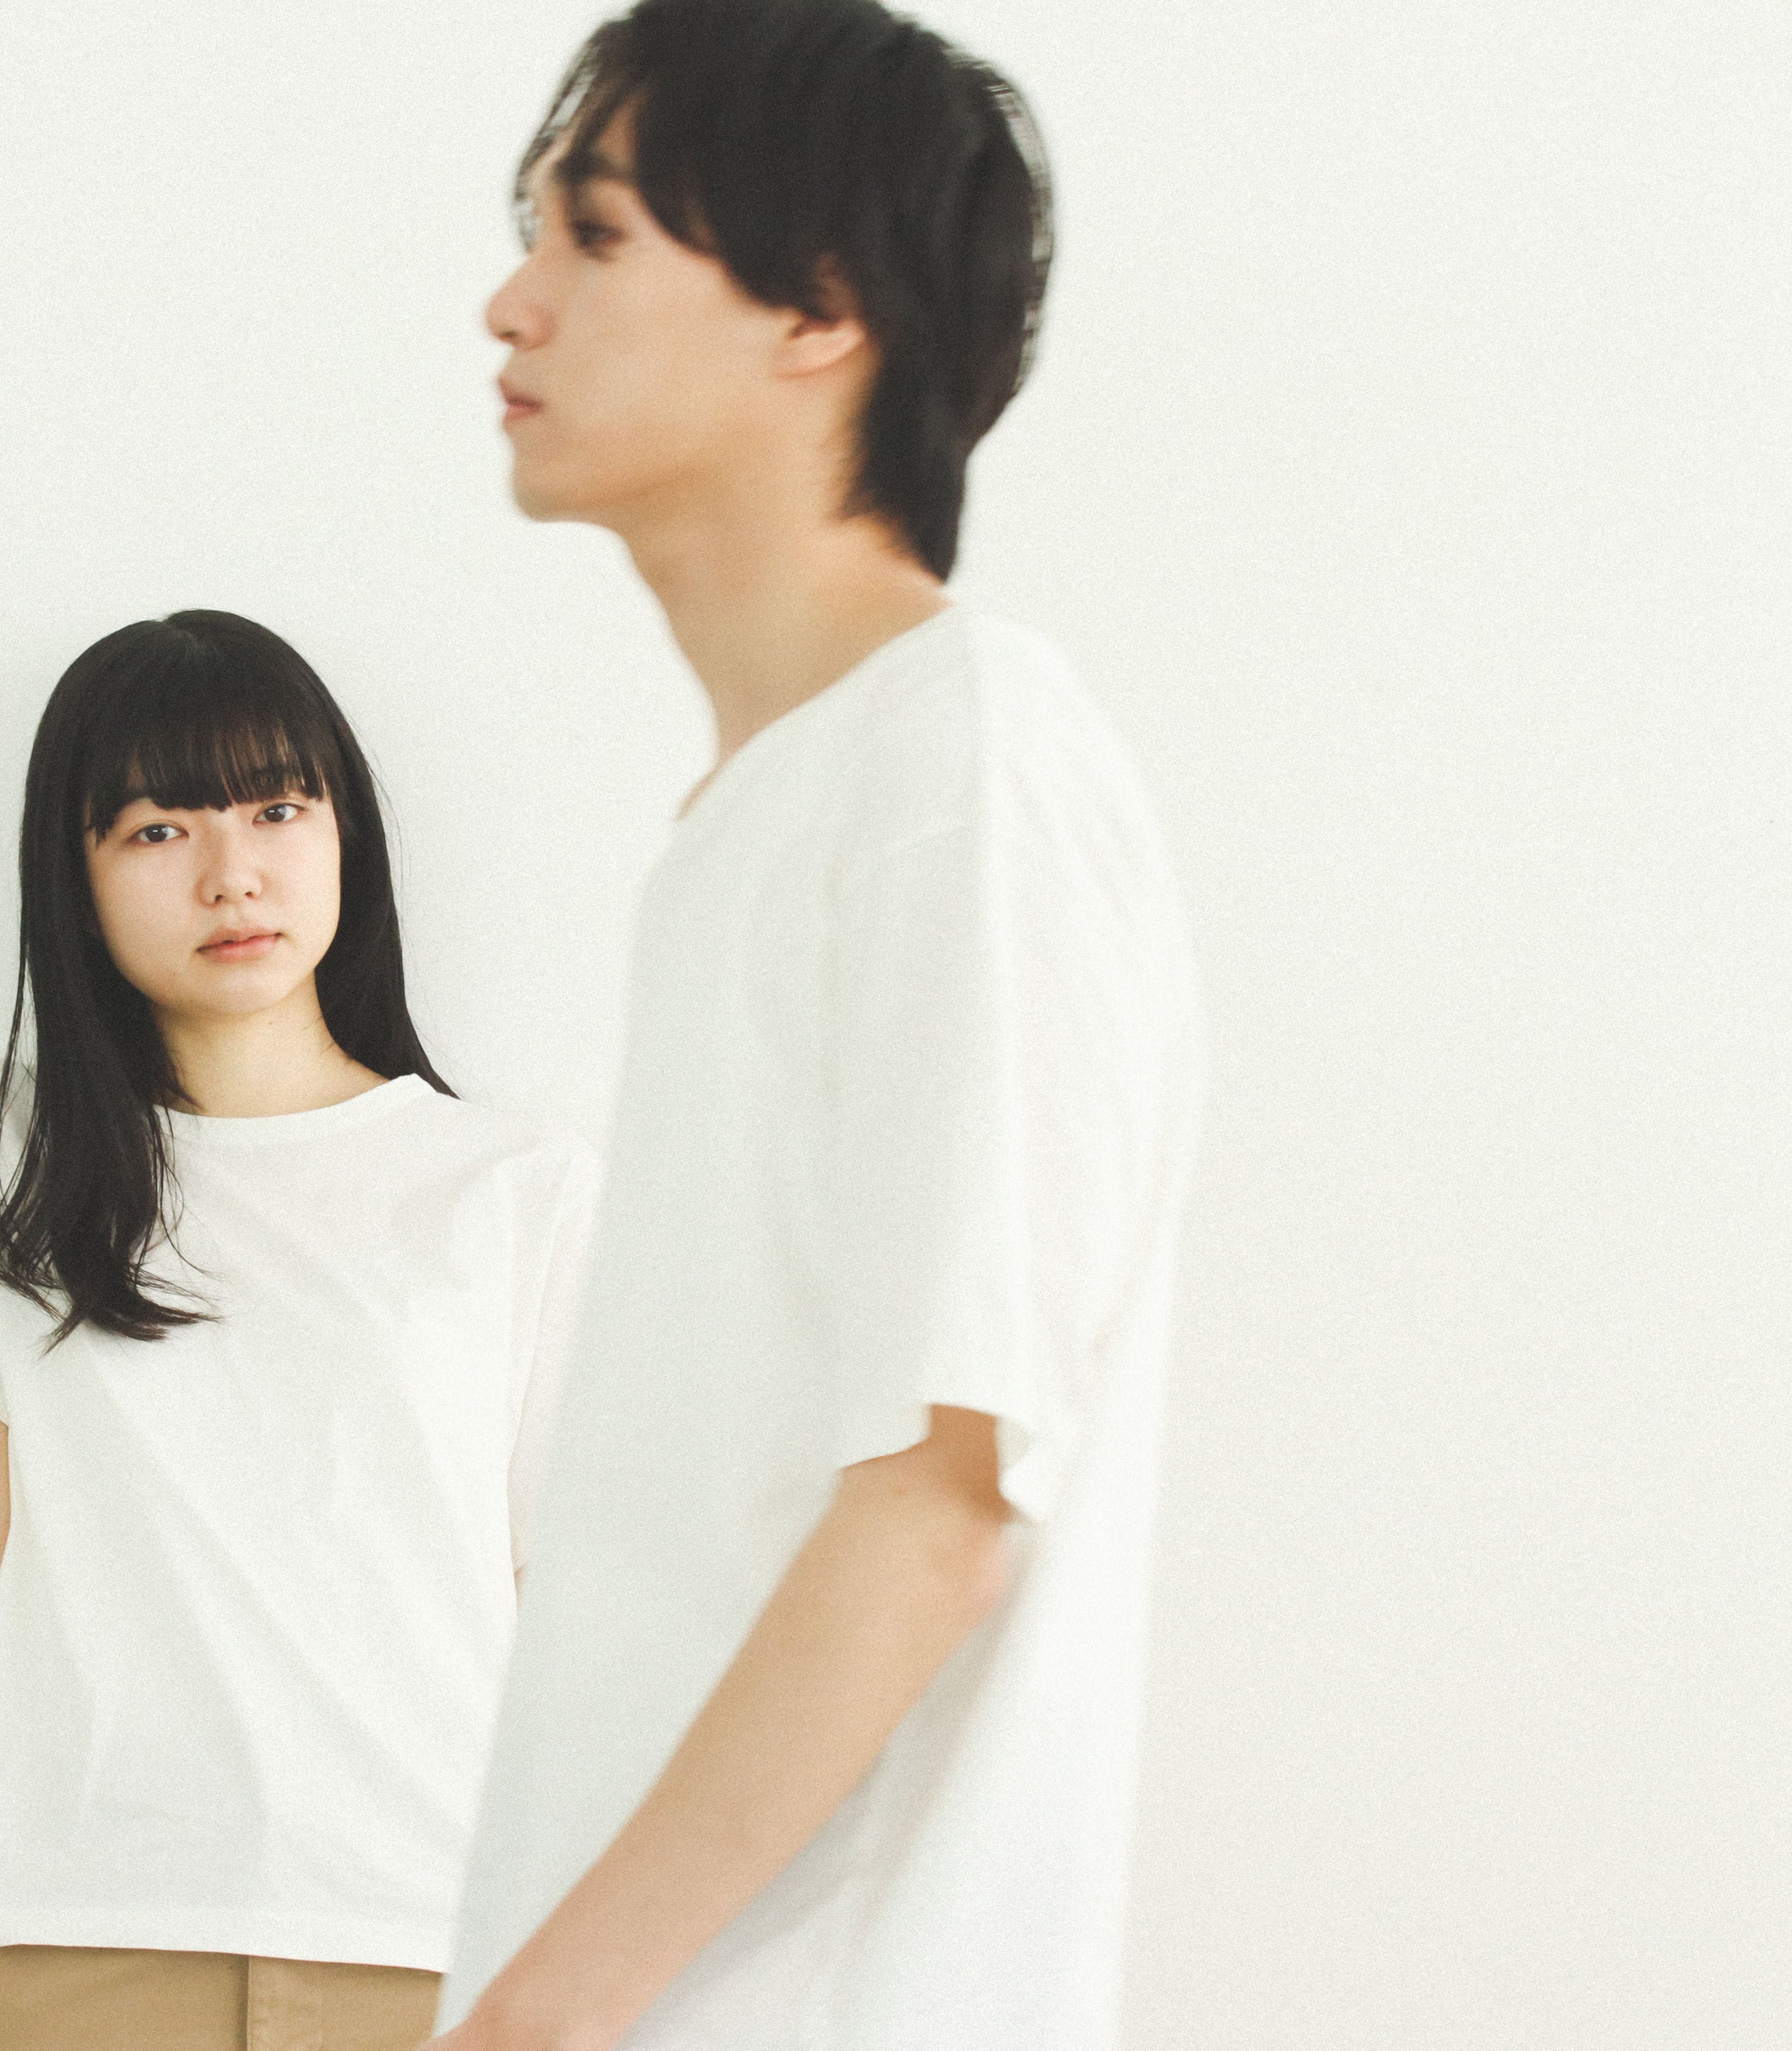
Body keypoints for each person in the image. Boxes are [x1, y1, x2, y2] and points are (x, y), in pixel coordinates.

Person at [426, 4, 1205, 2048]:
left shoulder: (960, 765)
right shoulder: (770, 815)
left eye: (595, 235)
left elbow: (938, 1501)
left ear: (822, 307)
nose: (511, 302)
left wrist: (528, 2027)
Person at [0, 609, 601, 2051]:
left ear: (346, 833)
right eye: (158, 830)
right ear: (77, 879)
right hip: (59, 1945)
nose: (233, 873)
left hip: (430, 1949)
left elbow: (565, 1596)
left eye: (278, 809)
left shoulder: (516, 1187)